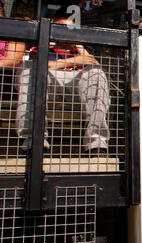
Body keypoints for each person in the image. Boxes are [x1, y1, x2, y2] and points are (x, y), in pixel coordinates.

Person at [15, 14, 110, 155]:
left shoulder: (79, 51)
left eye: (71, 29)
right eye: (63, 28)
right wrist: (74, 61)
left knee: (97, 73)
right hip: (48, 82)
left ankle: (96, 144)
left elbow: (94, 64)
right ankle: (33, 141)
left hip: (77, 86)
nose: (67, 32)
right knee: (29, 69)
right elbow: (40, 65)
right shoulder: (43, 47)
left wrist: (77, 44)